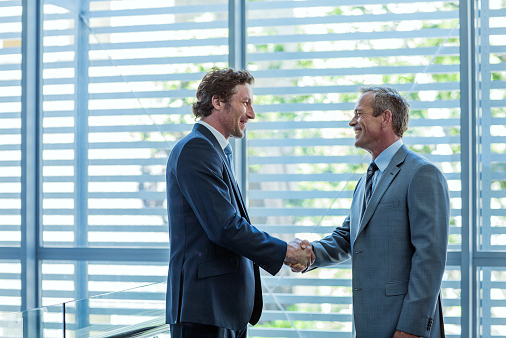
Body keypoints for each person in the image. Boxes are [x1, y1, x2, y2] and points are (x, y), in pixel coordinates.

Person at [165, 67, 313, 338]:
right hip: (205, 310)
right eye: (245, 103)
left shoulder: (215, 150)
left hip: (222, 308)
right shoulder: (196, 149)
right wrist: (286, 252)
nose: (252, 113)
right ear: (218, 102)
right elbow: (225, 227)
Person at [293, 86, 450, 338]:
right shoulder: (368, 178)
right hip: (370, 323)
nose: (351, 121)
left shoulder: (422, 174)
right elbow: (348, 236)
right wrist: (309, 254)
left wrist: (412, 328)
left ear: (385, 118)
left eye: (359, 113)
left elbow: (430, 259)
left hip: (404, 326)